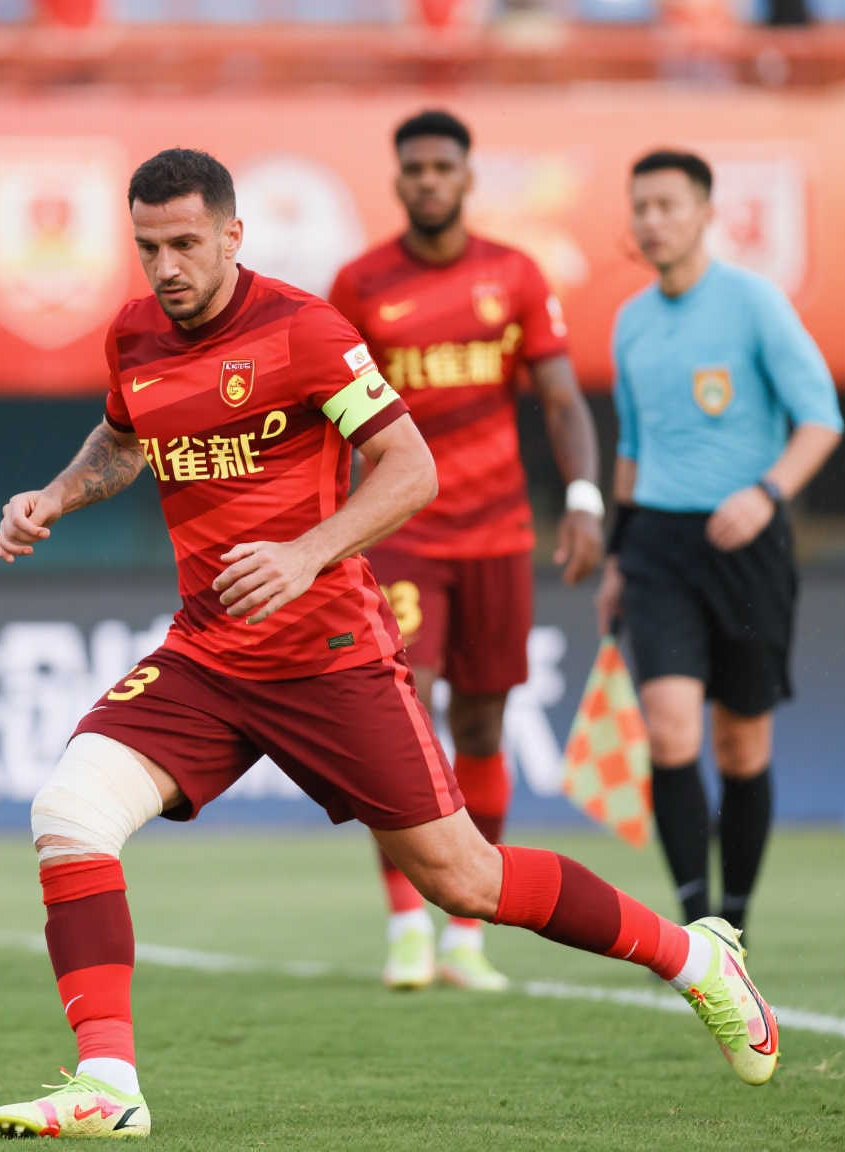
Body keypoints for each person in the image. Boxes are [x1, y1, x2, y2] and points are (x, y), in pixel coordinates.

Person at [0, 148, 778, 1140]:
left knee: (465, 880)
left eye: (185, 243)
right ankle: (108, 1083)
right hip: (210, 654)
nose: (166, 267)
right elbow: (122, 437)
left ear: (233, 235)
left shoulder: (304, 330)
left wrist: (305, 553)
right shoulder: (134, 334)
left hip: (329, 656)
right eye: (148, 247)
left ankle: (695, 958)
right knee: (69, 810)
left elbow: (410, 468)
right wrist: (55, 496)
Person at [328, 109, 604, 994]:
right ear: (398, 180)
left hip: (497, 532)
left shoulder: (514, 275)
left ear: (466, 177)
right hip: (400, 530)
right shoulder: (361, 284)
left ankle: (467, 934)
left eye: (442, 167)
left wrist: (584, 498)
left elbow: (560, 397)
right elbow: (326, 412)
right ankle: (407, 926)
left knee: (482, 723)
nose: (428, 181)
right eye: (414, 168)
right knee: (401, 720)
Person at [595, 149, 843, 947]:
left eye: (668, 205)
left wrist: (766, 493)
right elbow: (631, 447)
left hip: (747, 547)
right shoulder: (631, 321)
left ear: (706, 214)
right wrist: (616, 556)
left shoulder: (753, 303)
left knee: (742, 744)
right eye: (641, 206)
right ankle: (698, 926)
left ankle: (736, 920)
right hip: (657, 547)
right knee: (671, 730)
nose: (652, 220)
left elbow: (821, 419)